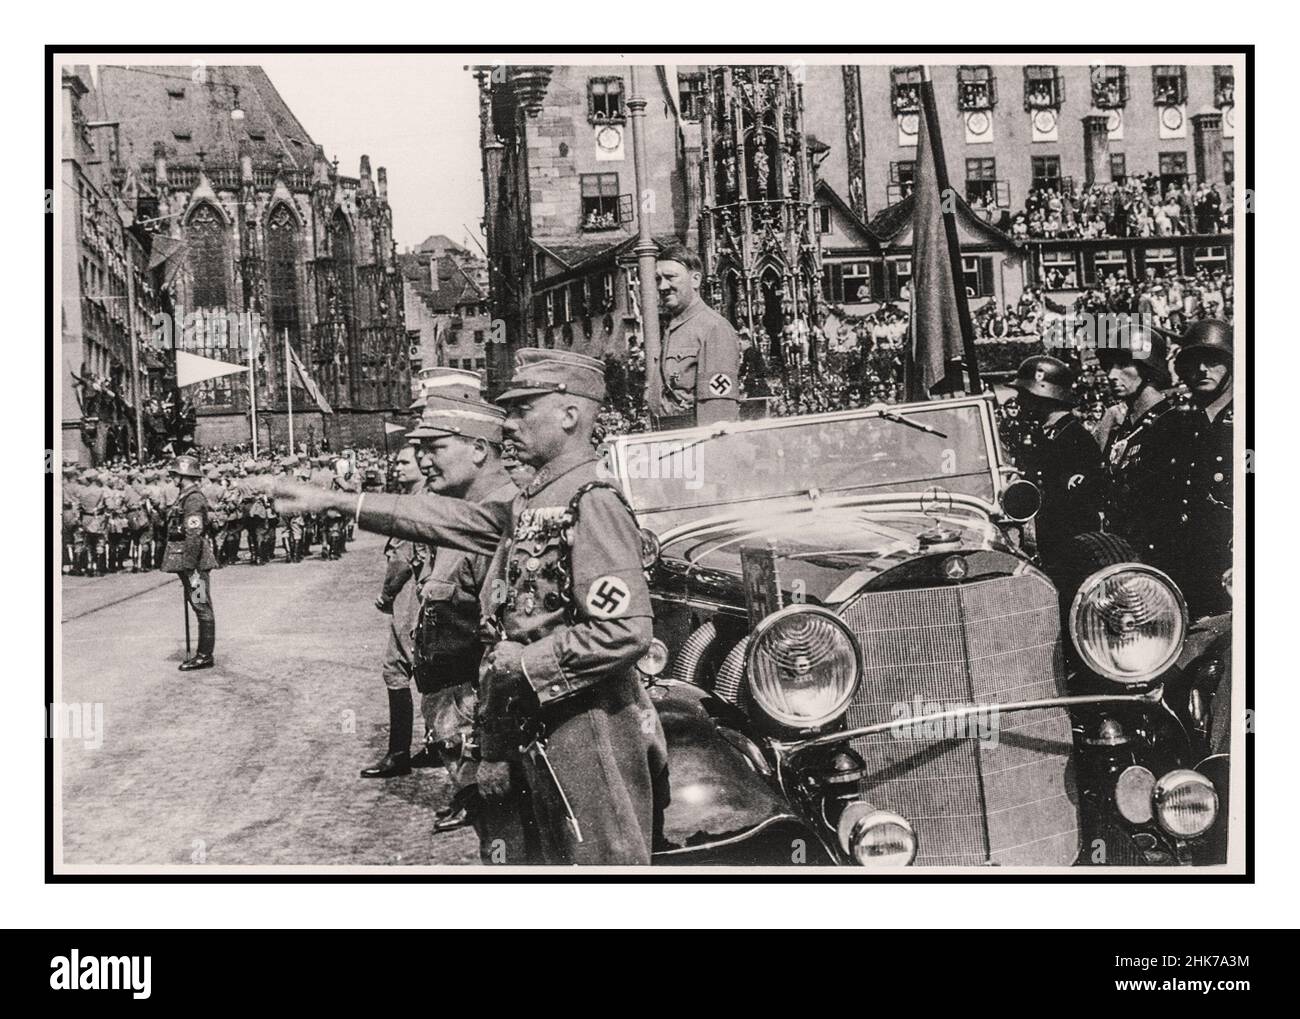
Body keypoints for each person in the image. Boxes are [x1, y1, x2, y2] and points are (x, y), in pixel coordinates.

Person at [271, 350, 669, 865]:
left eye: (524, 409)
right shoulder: (533, 500)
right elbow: (438, 518)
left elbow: (624, 632)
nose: (510, 422)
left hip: (586, 726)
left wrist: (524, 663)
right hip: (533, 722)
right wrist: (337, 501)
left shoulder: (591, 498)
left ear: (570, 415)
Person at [404, 368, 537, 861]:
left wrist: (490, 749)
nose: (421, 459)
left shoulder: (499, 516)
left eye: (434, 446)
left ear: (479, 449)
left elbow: (501, 644)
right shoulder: (461, 511)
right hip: (461, 704)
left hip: (488, 717)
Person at [1161, 320, 1235, 617]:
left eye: (1213, 360)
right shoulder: (1179, 423)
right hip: (1185, 569)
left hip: (1230, 570)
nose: (1203, 369)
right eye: (1194, 362)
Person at [364, 443, 428, 779]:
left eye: (404, 463)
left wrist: (385, 595)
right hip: (427, 594)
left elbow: (401, 561)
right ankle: (433, 744)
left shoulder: (412, 506)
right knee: (431, 670)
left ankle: (399, 753)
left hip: (412, 596)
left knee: (396, 668)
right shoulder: (429, 499)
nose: (396, 468)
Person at [1009, 355, 1103, 570]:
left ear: (1043, 396)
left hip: (1072, 548)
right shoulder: (1046, 434)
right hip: (1048, 544)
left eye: (1025, 394)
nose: (1020, 402)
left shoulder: (1077, 438)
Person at [652, 243, 741, 428]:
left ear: (695, 280)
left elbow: (718, 412)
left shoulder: (714, 328)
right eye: (658, 279)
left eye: (670, 277)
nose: (662, 286)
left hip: (693, 443)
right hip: (669, 440)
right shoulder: (676, 326)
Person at [161, 454, 218, 671]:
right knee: (198, 604)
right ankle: (204, 653)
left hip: (194, 564)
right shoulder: (184, 496)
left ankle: (204, 655)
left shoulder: (193, 499)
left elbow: (194, 533)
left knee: (201, 605)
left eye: (174, 474)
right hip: (190, 562)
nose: (172, 477)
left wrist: (189, 565)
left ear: (183, 475)